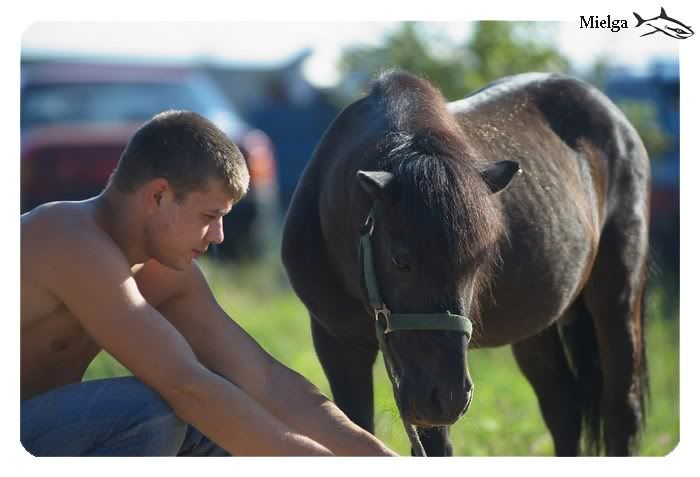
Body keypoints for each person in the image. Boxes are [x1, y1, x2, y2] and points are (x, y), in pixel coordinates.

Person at [20, 110, 397, 457]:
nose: (218, 236)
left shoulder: (159, 271)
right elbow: (185, 386)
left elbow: (265, 383)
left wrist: (379, 460)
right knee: (154, 410)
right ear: (158, 196)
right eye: (209, 215)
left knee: (227, 415)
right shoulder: (67, 239)